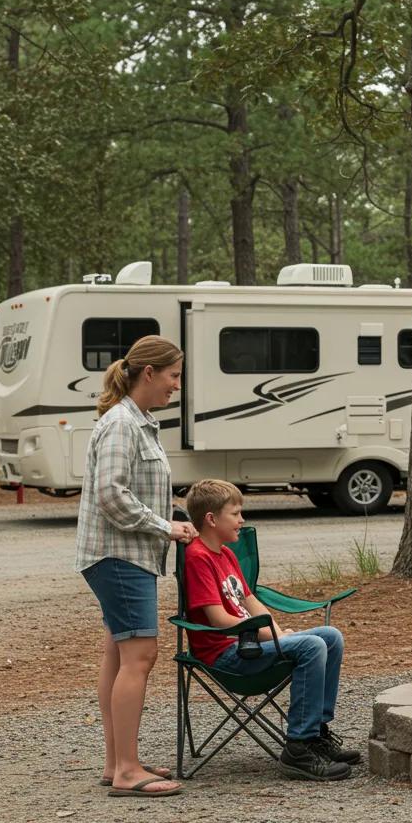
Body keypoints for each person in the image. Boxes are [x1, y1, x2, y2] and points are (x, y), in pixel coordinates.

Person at [76, 335, 197, 797]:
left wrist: (170, 521)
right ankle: (128, 771)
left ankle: (117, 762)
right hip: (120, 556)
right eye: (173, 376)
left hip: (124, 554)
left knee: (117, 653)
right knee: (140, 657)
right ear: (149, 373)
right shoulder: (123, 423)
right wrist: (163, 527)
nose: (176, 386)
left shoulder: (139, 421)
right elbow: (110, 493)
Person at [182, 479, 360, 782]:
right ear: (211, 519)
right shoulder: (198, 557)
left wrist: (278, 632)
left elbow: (250, 601)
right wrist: (274, 638)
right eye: (235, 514)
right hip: (226, 654)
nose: (242, 520)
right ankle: (298, 749)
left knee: (330, 637)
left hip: (250, 644)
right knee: (312, 646)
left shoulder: (226, 554)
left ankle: (315, 733)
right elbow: (219, 620)